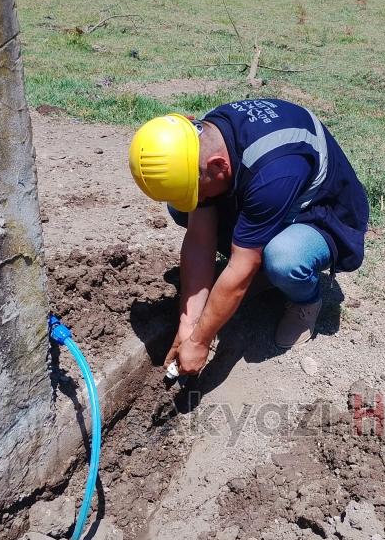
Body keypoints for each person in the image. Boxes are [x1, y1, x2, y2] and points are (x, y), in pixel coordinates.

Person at [128, 99, 369, 375]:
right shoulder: (202, 140)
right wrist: (188, 324)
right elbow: (199, 239)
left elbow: (242, 267)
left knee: (283, 258)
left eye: (202, 189)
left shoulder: (273, 172)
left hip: (321, 213)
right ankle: (259, 259)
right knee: (184, 206)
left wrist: (200, 341)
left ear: (218, 166)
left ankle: (307, 301)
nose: (201, 197)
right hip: (268, 198)